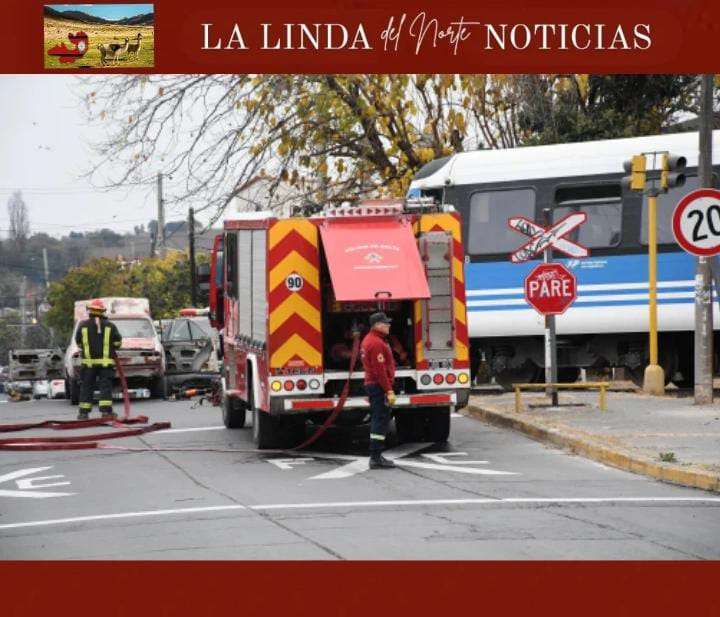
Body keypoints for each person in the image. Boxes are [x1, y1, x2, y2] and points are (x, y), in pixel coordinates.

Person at [75, 299, 122, 420]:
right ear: (102, 311)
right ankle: (106, 412)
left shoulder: (82, 325)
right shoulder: (110, 326)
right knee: (105, 387)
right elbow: (118, 343)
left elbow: (78, 343)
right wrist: (111, 347)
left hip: (88, 364)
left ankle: (83, 413)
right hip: (105, 364)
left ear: (90, 310)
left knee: (86, 387)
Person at [360, 311, 397, 469]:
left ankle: (376, 456)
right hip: (378, 386)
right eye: (385, 323)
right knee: (380, 421)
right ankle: (375, 457)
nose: (388, 325)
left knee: (379, 419)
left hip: (373, 386)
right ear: (377, 325)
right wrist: (388, 390)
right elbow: (379, 371)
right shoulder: (376, 343)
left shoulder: (370, 340)